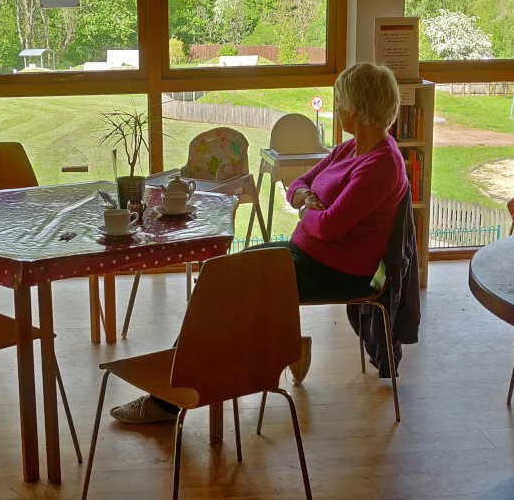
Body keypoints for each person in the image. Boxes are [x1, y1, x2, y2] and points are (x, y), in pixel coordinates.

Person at [110, 62, 410, 424]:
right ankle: (277, 351)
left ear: (354, 109)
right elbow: (299, 183)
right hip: (307, 255)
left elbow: (329, 227)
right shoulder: (350, 150)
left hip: (338, 272)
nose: (337, 104)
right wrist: (306, 199)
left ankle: (169, 399)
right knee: (217, 273)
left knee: (224, 285)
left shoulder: (381, 164)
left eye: (340, 98)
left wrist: (305, 213)